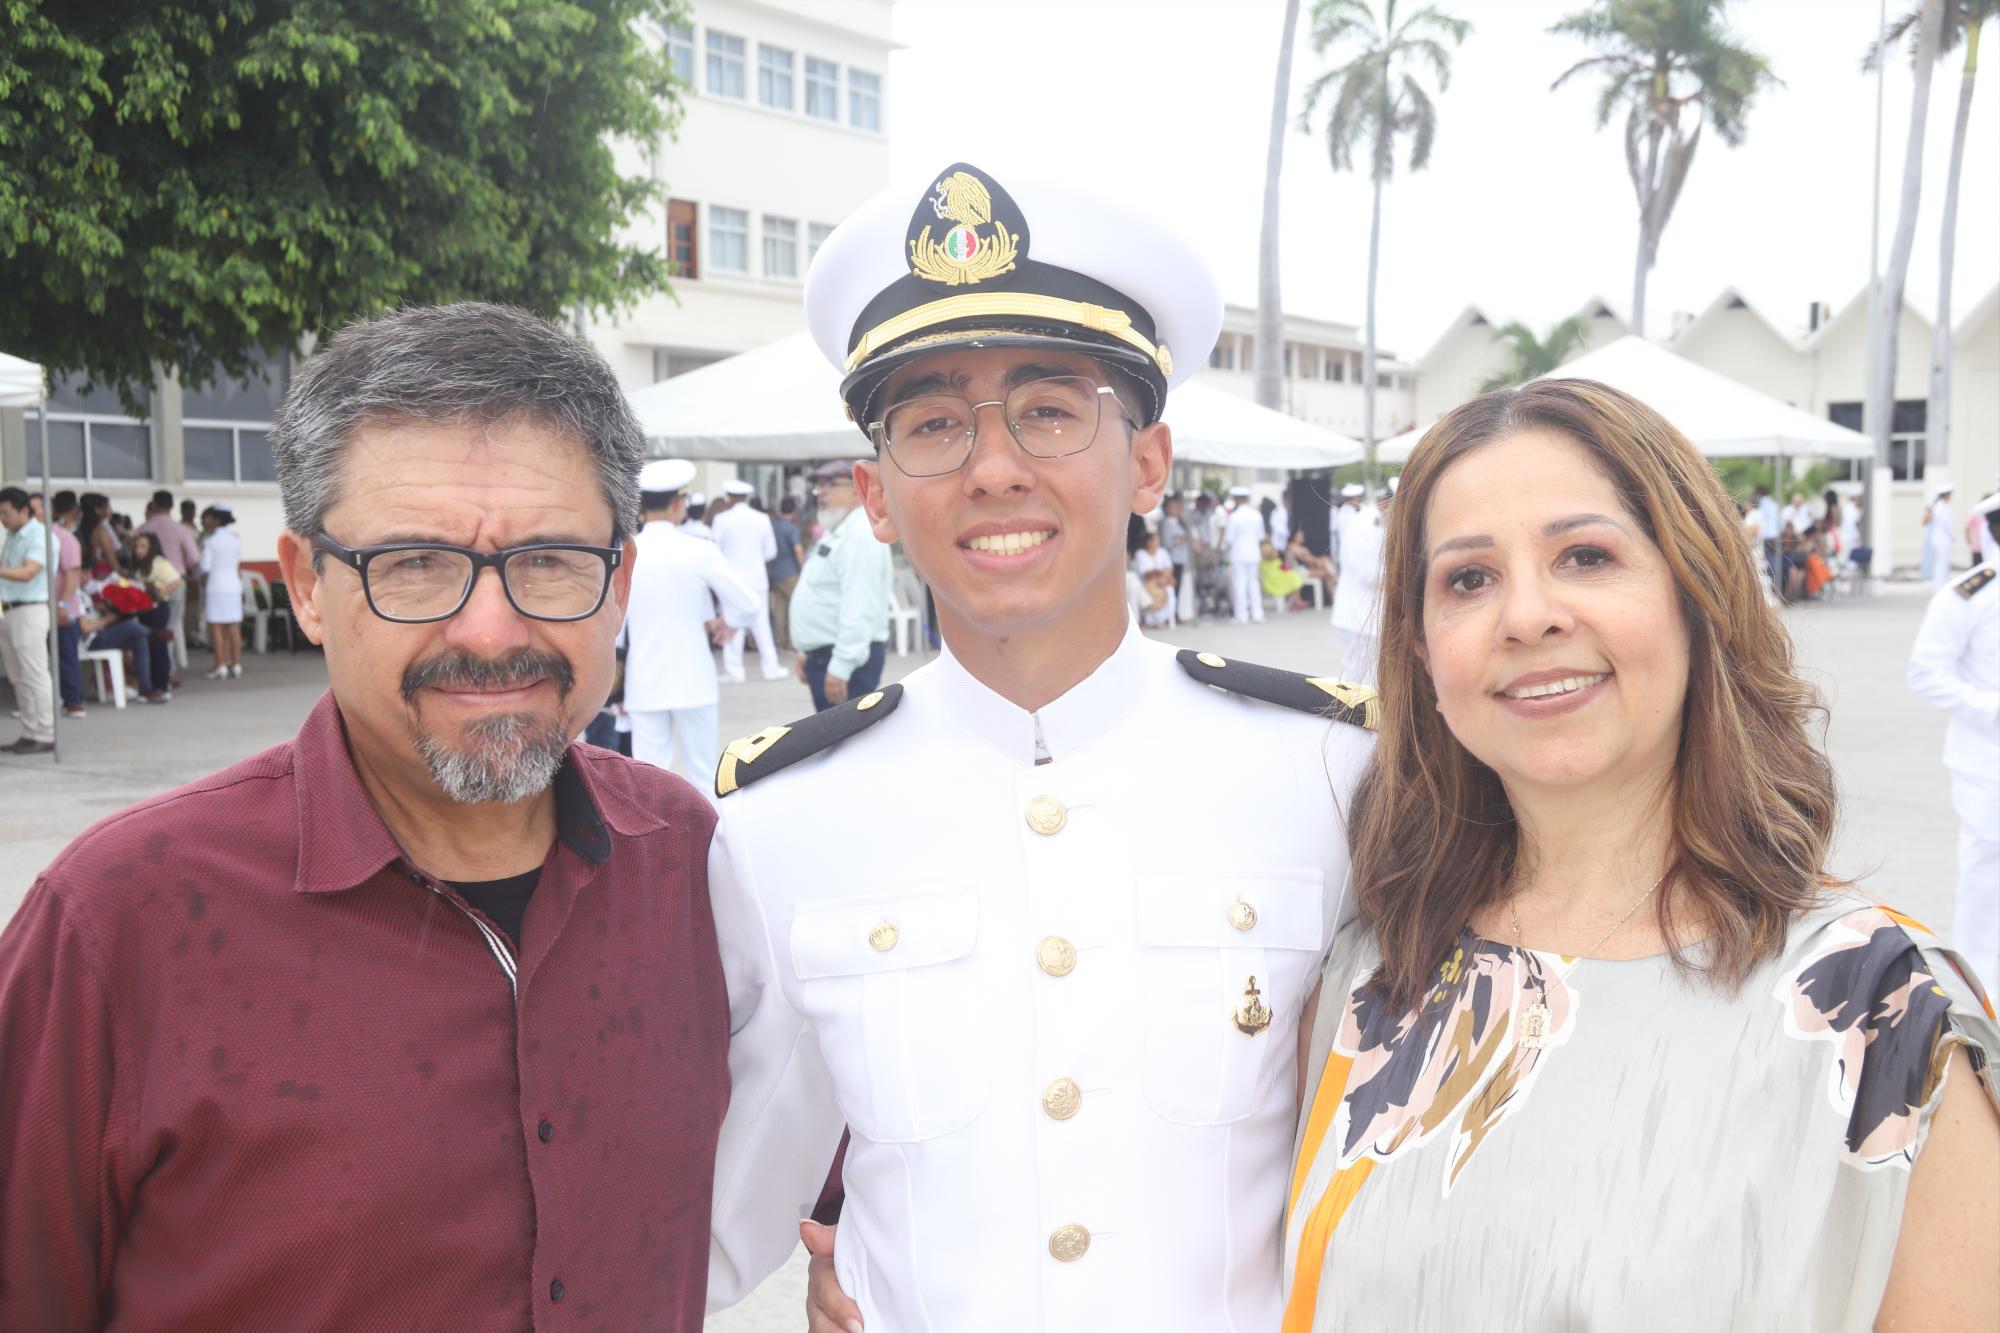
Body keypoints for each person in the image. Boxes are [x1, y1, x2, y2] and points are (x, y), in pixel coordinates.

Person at [705, 159, 1376, 1333]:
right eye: (931, 425)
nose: (993, 467)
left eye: (1050, 411)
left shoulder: (1326, 773)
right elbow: (719, 1200)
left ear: (1149, 464)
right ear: (873, 491)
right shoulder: (778, 822)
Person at [0, 301, 731, 1329]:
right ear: (306, 586)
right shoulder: (121, 921)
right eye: (415, 565)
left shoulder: (696, 865)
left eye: (550, 560)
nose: (490, 629)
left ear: (618, 586)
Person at [1285, 379, 2000, 1331]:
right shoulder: (1365, 977)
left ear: (1695, 595)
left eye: (1586, 555)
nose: (1527, 615)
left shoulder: (1886, 1018)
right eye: (1468, 577)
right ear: (1421, 652)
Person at [1908, 491, 2000, 996]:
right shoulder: (1970, 595)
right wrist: (1991, 708)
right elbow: (1925, 673)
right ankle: (1981, 992)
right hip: (1987, 759)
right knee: (1988, 872)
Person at [622, 458, 761, 784]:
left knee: (649, 778)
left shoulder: (625, 553)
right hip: (693, 678)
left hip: (643, 679)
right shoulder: (699, 551)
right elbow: (749, 603)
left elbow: (613, 625)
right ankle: (709, 836)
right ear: (676, 504)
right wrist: (732, 621)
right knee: (702, 776)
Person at [787, 458, 891, 711]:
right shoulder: (839, 531)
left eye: (830, 484)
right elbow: (823, 593)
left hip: (845, 660)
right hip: (826, 656)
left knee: (847, 747)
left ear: (858, 489)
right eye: (818, 486)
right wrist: (806, 652)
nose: (821, 493)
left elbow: (859, 606)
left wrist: (841, 667)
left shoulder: (859, 536)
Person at [711, 479, 787, 683]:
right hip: (756, 579)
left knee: (732, 622)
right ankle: (770, 667)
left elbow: (715, 551)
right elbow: (770, 552)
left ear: (729, 498)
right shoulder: (762, 518)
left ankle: (734, 671)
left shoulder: (721, 519)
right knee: (760, 624)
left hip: (732, 581)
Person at [0, 486, 54, 753]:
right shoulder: (12, 536)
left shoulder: (39, 535)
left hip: (30, 609)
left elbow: (29, 571)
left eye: (6, 513)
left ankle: (45, 732)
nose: (3, 519)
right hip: (9, 610)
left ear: (23, 510)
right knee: (18, 676)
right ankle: (30, 730)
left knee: (34, 673)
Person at [138, 489, 202, 673]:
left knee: (150, 626)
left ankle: (155, 667)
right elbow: (194, 558)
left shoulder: (144, 528)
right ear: (173, 506)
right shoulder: (180, 529)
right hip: (174, 582)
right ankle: (168, 668)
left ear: (154, 505)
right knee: (172, 625)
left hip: (148, 584)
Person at [1330, 486, 1386, 686]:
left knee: (1366, 677)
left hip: (1362, 616)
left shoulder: (1373, 520)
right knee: (1361, 681)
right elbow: (1370, 574)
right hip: (1359, 618)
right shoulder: (1369, 526)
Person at [125, 530, 182, 698]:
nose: (138, 550)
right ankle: (151, 686)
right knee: (148, 646)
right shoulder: (140, 565)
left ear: (152, 548)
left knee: (158, 647)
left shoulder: (159, 563)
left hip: (157, 610)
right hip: (144, 610)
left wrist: (159, 595)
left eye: (143, 547)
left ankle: (162, 685)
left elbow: (176, 580)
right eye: (136, 546)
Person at [49, 490, 86, 718]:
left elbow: (72, 574)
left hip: (63, 609)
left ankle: (74, 701)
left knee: (65, 657)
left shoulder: (64, 538)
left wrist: (63, 605)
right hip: (41, 607)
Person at [200, 503, 245, 679]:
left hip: (216, 586)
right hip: (233, 586)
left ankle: (220, 665)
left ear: (216, 519)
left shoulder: (209, 541)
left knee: (216, 626)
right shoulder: (235, 539)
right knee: (233, 625)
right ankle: (236, 663)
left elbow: (205, 566)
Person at [768, 496, 806, 653]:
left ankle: (781, 641)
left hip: (773, 573)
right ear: (794, 511)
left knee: (779, 608)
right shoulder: (791, 528)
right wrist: (804, 569)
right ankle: (793, 642)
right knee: (797, 605)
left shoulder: (772, 526)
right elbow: (798, 549)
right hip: (789, 572)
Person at [1225, 484, 1266, 623]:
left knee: (1240, 584)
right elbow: (1261, 537)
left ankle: (1241, 615)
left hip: (1238, 554)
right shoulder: (1257, 515)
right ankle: (1257, 614)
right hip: (1253, 553)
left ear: (1236, 499)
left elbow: (1229, 539)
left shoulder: (1234, 517)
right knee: (1253, 583)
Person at [1131, 526, 1176, 628]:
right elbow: (1146, 573)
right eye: (1154, 540)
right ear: (1148, 542)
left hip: (1163, 581)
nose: (1157, 542)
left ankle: (1164, 620)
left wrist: (1162, 577)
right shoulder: (1140, 553)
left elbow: (1169, 568)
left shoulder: (1163, 552)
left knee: (1169, 590)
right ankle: (1151, 621)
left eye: (1157, 540)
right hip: (1147, 583)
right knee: (1151, 592)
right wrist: (1160, 573)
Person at [1159, 493, 1194, 623]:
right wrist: (1182, 537)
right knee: (1175, 587)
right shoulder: (1168, 523)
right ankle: (1172, 614)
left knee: (1178, 587)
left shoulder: (1176, 522)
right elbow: (1169, 542)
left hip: (1180, 558)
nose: (1176, 509)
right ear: (1167, 509)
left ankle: (1176, 613)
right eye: (1173, 507)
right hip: (1174, 558)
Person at [1922, 482, 1957, 588]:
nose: (1951, 496)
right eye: (1949, 494)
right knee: (1942, 563)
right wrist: (1953, 536)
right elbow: (1946, 524)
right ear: (1945, 495)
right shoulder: (1941, 507)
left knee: (1941, 563)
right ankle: (1940, 585)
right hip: (1942, 539)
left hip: (1940, 538)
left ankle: (1940, 584)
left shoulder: (1939, 506)